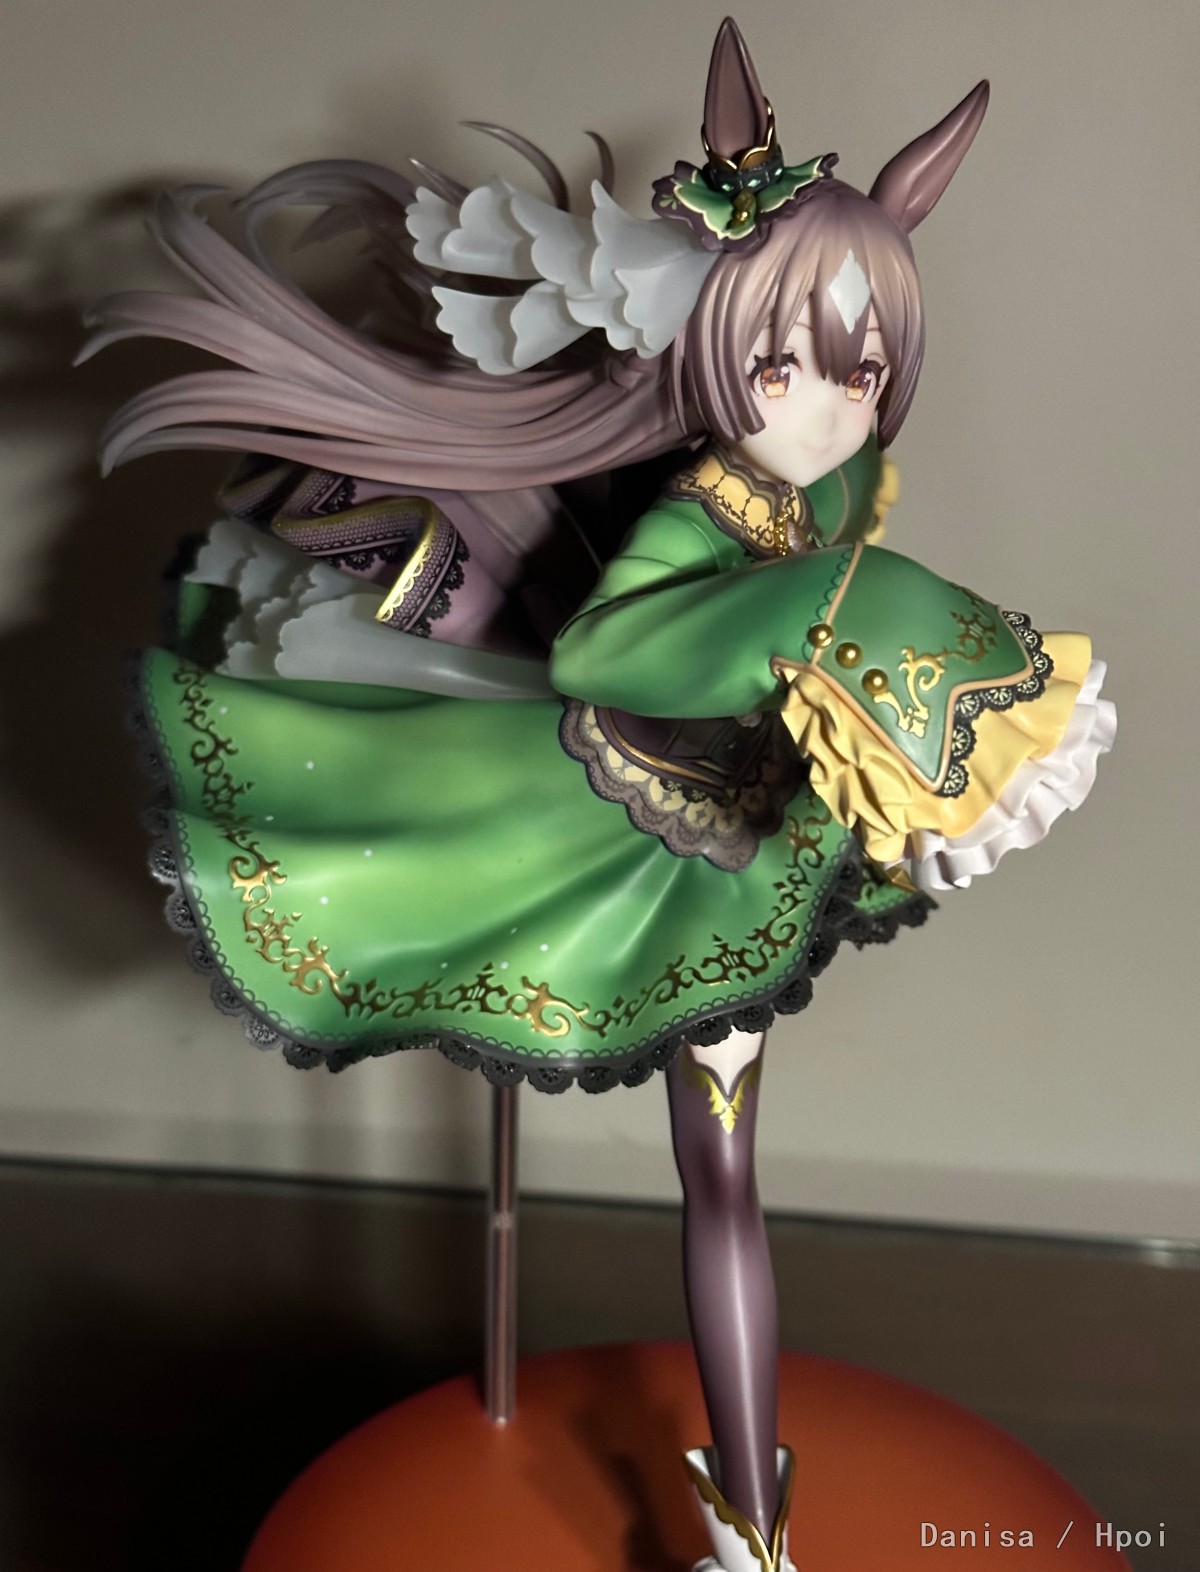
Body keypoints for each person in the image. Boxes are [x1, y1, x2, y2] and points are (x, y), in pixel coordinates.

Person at [83, 19, 1114, 1571]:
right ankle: (750, 1525)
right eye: (784, 365)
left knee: (728, 1175)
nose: (831, 407)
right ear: (720, 347)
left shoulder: (826, 477)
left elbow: (842, 519)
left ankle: (750, 1519)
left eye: (865, 369)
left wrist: (836, 617)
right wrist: (795, 613)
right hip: (619, 834)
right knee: (719, 1173)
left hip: (759, 826)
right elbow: (604, 650)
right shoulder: (702, 508)